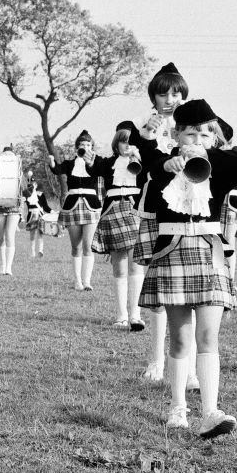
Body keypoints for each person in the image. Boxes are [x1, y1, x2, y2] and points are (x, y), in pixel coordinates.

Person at [138, 100, 237, 436]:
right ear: (176, 134)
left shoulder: (218, 166)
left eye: (207, 133)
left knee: (208, 337)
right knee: (180, 339)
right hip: (173, 254)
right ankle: (177, 408)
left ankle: (211, 411)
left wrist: (211, 150)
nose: (198, 138)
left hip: (209, 254)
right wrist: (170, 157)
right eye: (191, 133)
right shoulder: (163, 164)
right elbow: (147, 153)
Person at [132, 62, 189, 381]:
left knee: (187, 295)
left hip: (189, 206)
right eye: (163, 92)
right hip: (156, 206)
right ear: (153, 96)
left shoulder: (191, 120)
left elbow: (220, 136)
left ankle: (187, 368)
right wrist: (146, 137)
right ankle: (155, 362)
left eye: (176, 92)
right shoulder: (147, 126)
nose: (170, 98)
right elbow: (146, 160)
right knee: (158, 293)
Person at [91, 122, 145, 329]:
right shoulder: (108, 163)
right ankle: (121, 315)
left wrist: (140, 157)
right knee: (119, 264)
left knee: (136, 263)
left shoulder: (143, 162)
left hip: (134, 211)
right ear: (116, 144)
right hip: (112, 211)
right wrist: (88, 159)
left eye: (131, 142)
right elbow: (95, 168)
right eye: (123, 141)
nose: (127, 145)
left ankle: (135, 315)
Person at [50, 132, 102, 290]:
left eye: (88, 145)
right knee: (76, 246)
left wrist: (91, 162)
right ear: (77, 148)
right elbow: (57, 170)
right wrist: (51, 162)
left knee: (88, 245)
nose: (85, 148)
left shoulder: (97, 161)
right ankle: (77, 281)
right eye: (82, 145)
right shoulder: (70, 163)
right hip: (72, 204)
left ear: (92, 147)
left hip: (91, 205)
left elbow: (99, 171)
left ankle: (87, 281)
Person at [0, 145, 23, 276]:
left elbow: (23, 189)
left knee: (10, 235)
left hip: (14, 207)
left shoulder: (19, 172)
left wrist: (28, 191)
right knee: (2, 237)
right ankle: (3, 264)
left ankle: (9, 267)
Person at [23, 174, 52, 258]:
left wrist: (52, 211)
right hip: (31, 215)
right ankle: (32, 252)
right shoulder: (26, 194)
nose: (33, 185)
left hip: (40, 215)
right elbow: (21, 203)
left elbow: (46, 207)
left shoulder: (41, 194)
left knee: (40, 233)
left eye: (34, 184)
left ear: (36, 185)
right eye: (31, 184)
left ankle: (40, 250)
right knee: (32, 234)